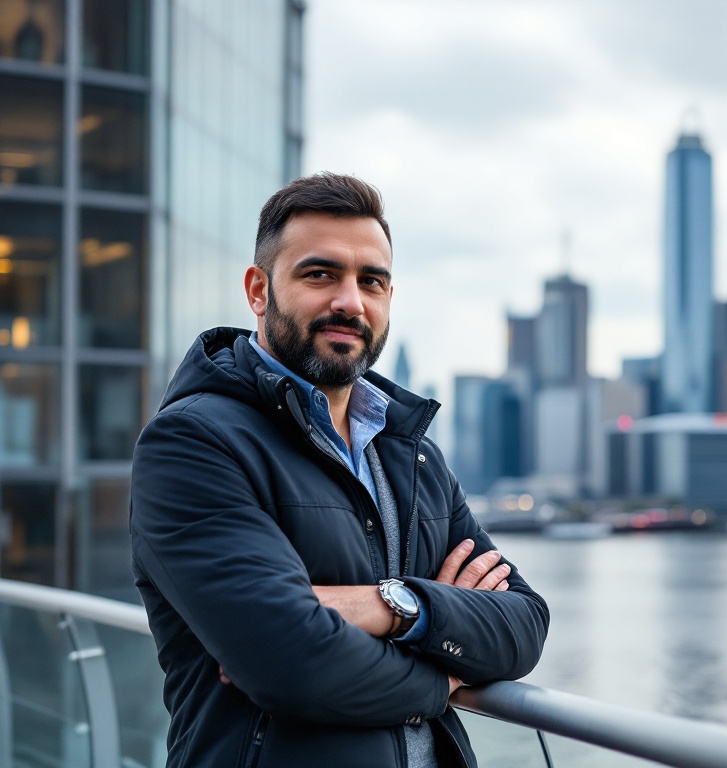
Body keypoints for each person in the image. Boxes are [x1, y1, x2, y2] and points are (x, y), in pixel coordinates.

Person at [130, 172, 549, 768]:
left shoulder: (411, 454)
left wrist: (392, 605)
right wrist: (443, 678)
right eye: (320, 274)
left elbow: (524, 626)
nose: (350, 302)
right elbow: (289, 662)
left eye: (370, 281)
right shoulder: (193, 442)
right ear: (258, 290)